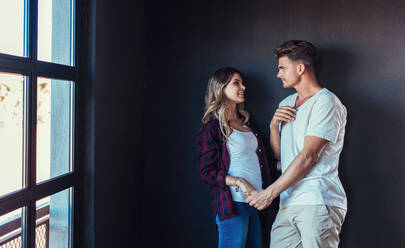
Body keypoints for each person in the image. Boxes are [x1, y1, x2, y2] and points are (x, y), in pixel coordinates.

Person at [245, 40, 347, 248]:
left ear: (300, 68)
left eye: (282, 68)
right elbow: (283, 156)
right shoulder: (285, 104)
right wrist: (274, 126)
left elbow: (308, 157)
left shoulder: (325, 102)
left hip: (318, 200)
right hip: (288, 201)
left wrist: (269, 193)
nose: (278, 74)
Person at [196, 67, 273, 248]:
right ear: (221, 88)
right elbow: (207, 172)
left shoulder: (248, 123)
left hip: (256, 202)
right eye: (236, 83)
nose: (243, 87)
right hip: (232, 205)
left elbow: (260, 163)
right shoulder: (213, 127)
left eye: (242, 82)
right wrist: (239, 181)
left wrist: (288, 164)